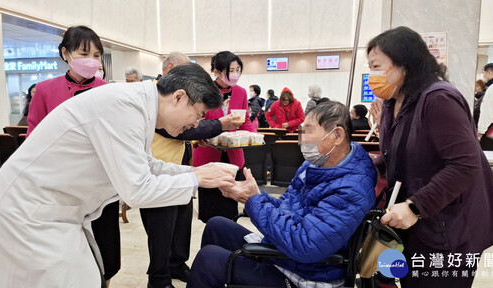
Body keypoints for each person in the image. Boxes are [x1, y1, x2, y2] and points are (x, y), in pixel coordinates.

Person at [0, 64, 237, 288]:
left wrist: (194, 172)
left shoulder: (139, 105)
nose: (196, 124)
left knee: (81, 276)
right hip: (29, 210)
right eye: (199, 114)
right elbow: (138, 190)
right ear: (179, 97)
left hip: (53, 210)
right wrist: (196, 179)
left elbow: (145, 164)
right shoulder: (125, 106)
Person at [366, 26, 493, 288]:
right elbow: (396, 157)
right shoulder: (391, 103)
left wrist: (415, 207)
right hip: (418, 228)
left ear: (404, 63)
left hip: (449, 230)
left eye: (377, 66)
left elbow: (465, 164)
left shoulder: (438, 99)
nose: (372, 75)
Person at [187, 101, 377, 288]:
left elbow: (306, 245)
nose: (301, 138)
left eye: (308, 130)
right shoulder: (313, 166)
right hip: (289, 255)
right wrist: (251, 195)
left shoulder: (351, 188)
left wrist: (254, 200)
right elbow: (286, 206)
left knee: (208, 260)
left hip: (307, 273)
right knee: (216, 225)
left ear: (336, 135)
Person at [25, 25, 122, 285]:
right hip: (61, 187)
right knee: (66, 254)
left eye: (97, 55)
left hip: (101, 185)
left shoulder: (108, 91)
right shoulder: (45, 90)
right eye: (83, 53)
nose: (91, 61)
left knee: (106, 253)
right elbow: (33, 138)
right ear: (66, 53)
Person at [141, 52, 242, 288]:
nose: (196, 120)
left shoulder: (174, 95)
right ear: (173, 69)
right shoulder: (156, 96)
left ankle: (177, 265)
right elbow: (174, 130)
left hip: (181, 168)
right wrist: (219, 124)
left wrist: (197, 140)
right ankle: (158, 278)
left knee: (180, 225)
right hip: (159, 172)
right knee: (161, 230)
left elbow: (185, 131)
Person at [192, 51, 257, 223]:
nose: (235, 74)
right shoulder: (203, 92)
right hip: (208, 156)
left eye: (238, 69)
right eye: (231, 70)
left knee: (230, 206)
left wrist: (254, 136)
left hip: (232, 157)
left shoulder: (241, 92)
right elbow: (196, 122)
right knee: (211, 207)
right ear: (216, 72)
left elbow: (244, 121)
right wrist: (199, 138)